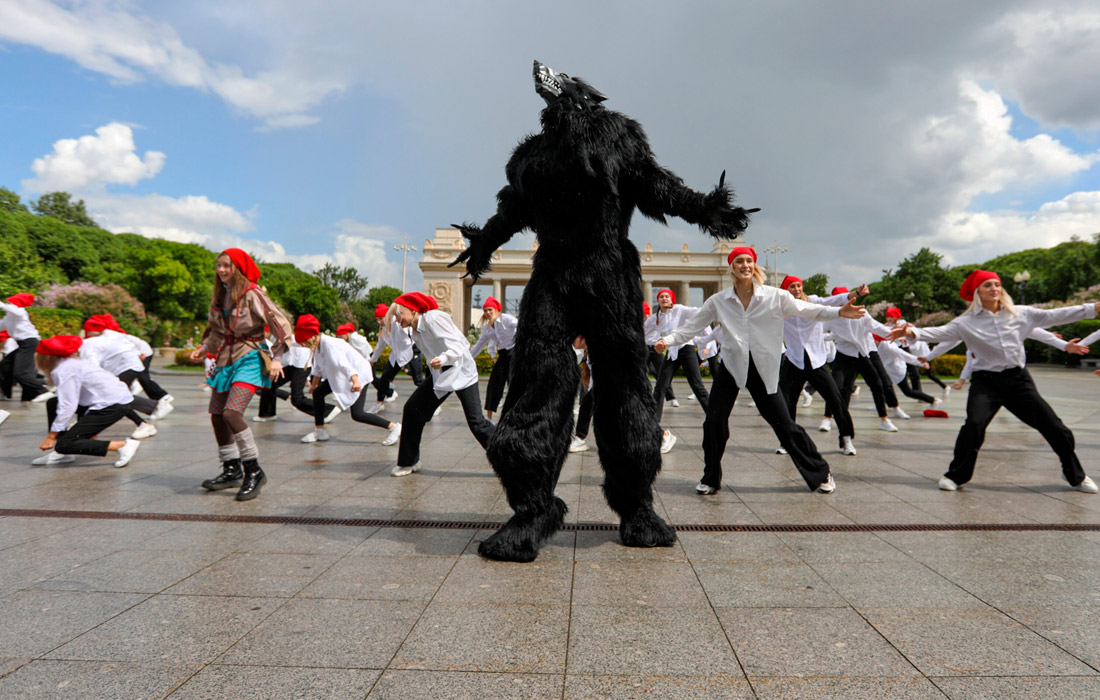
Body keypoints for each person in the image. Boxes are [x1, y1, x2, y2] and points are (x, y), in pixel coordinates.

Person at [655, 248, 865, 495]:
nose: (745, 265)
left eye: (749, 261)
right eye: (739, 261)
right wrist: (667, 341)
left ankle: (820, 473)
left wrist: (839, 311)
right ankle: (711, 478)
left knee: (784, 425)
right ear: (732, 267)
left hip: (762, 369)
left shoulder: (774, 296)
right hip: (731, 367)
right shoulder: (719, 301)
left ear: (754, 267)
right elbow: (691, 328)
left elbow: (808, 310)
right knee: (713, 423)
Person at [894, 269, 1100, 493]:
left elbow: (1057, 314)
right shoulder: (966, 322)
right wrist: (911, 332)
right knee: (974, 425)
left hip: (1018, 381)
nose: (994, 289)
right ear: (977, 292)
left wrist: (1092, 308)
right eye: (987, 285)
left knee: (1056, 429)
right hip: (986, 383)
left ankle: (1075, 476)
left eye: (997, 284)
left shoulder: (1021, 313)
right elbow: (939, 333)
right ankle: (955, 476)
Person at [189, 248, 292, 501]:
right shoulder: (218, 297)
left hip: (250, 357)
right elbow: (217, 332)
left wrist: (277, 358)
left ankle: (254, 471)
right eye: (219, 265)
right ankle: (231, 468)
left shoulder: (252, 294)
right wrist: (203, 349)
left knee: (231, 413)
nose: (222, 270)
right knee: (216, 415)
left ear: (239, 268)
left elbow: (281, 324)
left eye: (227, 265)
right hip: (226, 359)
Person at [387, 292, 495, 476]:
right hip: (442, 376)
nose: (397, 320)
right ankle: (408, 462)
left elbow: (461, 345)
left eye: (399, 315)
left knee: (477, 423)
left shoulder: (433, 318)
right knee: (412, 410)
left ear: (412, 311)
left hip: (461, 372)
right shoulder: (414, 329)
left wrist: (443, 358)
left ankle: (512, 458)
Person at [777, 275, 859, 455]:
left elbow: (832, 300)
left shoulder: (813, 301)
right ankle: (787, 442)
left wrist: (856, 293)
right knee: (786, 402)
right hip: (794, 360)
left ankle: (846, 439)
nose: (796, 289)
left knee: (836, 399)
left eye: (798, 286)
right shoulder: (781, 308)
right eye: (792, 287)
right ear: (785, 290)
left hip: (816, 360)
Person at [32, 335, 141, 468]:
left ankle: (122, 446)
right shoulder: (73, 363)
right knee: (53, 403)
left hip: (111, 406)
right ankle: (63, 454)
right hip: (112, 400)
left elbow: (68, 405)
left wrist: (51, 436)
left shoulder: (64, 370)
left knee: (65, 444)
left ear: (47, 357)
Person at [294, 315, 402, 446]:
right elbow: (318, 366)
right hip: (343, 375)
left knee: (357, 414)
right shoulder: (318, 345)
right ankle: (320, 431)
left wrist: (356, 381)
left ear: (310, 338)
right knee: (318, 393)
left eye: (304, 343)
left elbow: (343, 364)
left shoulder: (330, 344)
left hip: (358, 374)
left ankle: (393, 427)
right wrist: (315, 384)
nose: (304, 346)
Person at [822, 287, 905, 432]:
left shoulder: (861, 313)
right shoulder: (831, 316)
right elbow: (818, 331)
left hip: (862, 353)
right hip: (844, 355)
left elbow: (876, 327)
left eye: (845, 300)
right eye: (838, 300)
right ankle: (828, 419)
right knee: (837, 387)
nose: (842, 304)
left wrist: (894, 334)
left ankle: (884, 419)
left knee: (877, 384)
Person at [648, 288, 710, 452]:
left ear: (672, 299)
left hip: (686, 349)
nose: (663, 298)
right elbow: (645, 332)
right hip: (671, 352)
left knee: (697, 386)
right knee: (660, 387)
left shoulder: (680, 309)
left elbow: (699, 313)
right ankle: (654, 423)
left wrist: (705, 344)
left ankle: (715, 417)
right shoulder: (657, 317)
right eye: (661, 296)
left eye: (667, 296)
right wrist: (656, 342)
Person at [368, 303, 424, 413]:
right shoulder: (383, 329)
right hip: (397, 354)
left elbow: (408, 337)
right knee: (385, 377)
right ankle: (379, 403)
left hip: (411, 350)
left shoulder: (396, 322)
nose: (379, 322)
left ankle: (432, 404)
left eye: (381, 318)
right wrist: (372, 360)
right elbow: (380, 346)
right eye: (377, 319)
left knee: (418, 381)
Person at [469, 297, 518, 419]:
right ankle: (489, 417)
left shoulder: (506, 318)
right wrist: (466, 359)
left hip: (516, 352)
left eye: (490, 309)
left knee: (514, 384)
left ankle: (515, 414)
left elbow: (522, 325)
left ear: (496, 310)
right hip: (504, 354)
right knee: (494, 383)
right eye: (485, 310)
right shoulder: (487, 328)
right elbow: (479, 345)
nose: (487, 313)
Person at [0, 293, 49, 401]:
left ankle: (42, 391)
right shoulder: (9, 317)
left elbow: (12, 309)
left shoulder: (21, 312)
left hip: (30, 343)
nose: (7, 304)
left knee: (21, 373)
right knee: (5, 366)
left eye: (10, 302)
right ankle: (5, 394)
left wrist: (3, 305)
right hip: (23, 344)